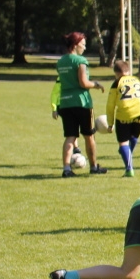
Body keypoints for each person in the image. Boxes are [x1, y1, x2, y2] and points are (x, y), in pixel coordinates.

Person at [50, 31, 106, 177]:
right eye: (83, 44)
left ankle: (66, 169)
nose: (85, 47)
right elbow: (83, 83)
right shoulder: (80, 61)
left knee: (70, 137)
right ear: (75, 45)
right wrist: (96, 84)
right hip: (81, 102)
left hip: (65, 102)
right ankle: (94, 167)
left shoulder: (61, 61)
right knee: (89, 136)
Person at [104, 58, 140, 177]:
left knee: (123, 143)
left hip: (124, 114)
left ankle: (129, 168)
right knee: (133, 136)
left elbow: (110, 105)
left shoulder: (116, 83)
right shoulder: (138, 80)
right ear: (129, 71)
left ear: (117, 74)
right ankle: (128, 153)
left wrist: (110, 123)